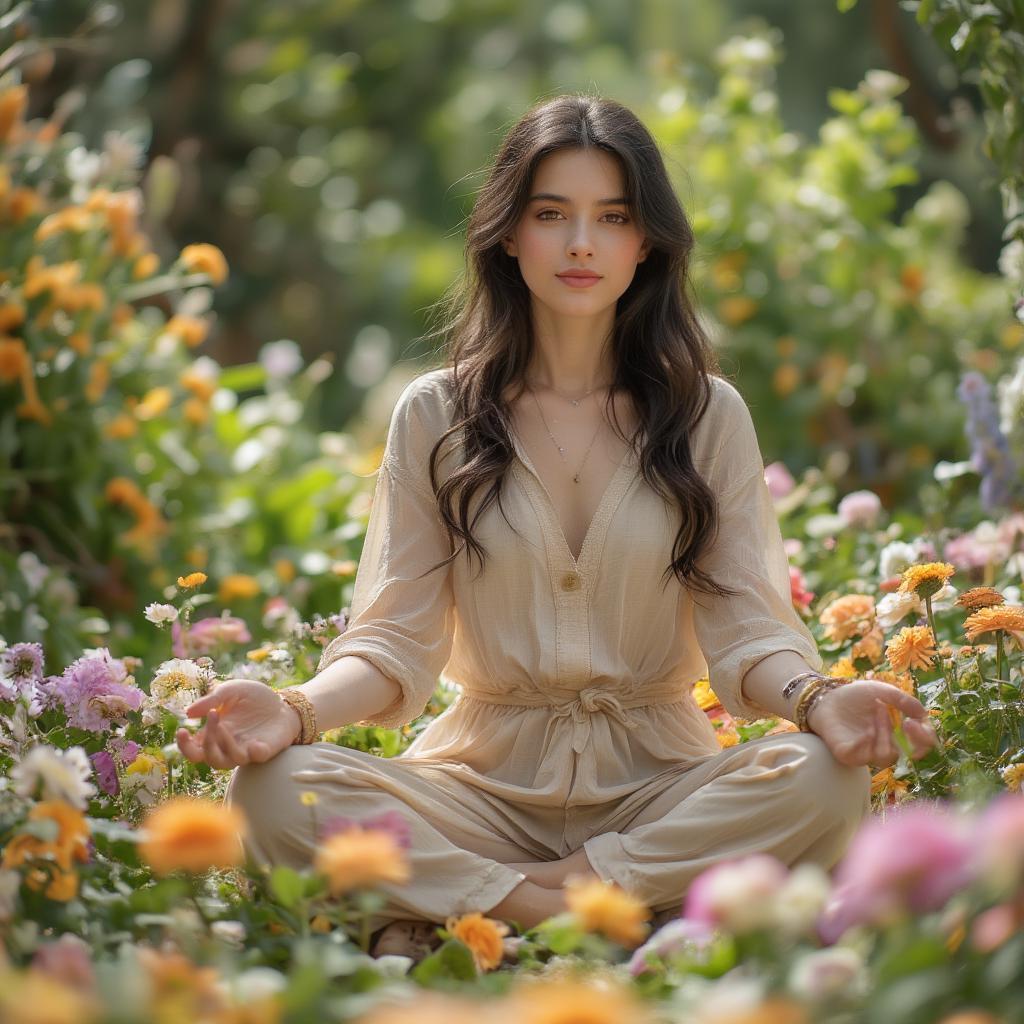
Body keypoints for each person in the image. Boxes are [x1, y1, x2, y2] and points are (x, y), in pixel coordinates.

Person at [176, 94, 938, 960]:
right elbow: (393, 642)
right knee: (273, 790)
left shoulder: (706, 416)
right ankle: (605, 912)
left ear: (645, 241)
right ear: (509, 234)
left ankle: (466, 915)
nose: (582, 244)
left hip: (661, 793)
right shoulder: (436, 415)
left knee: (823, 781)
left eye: (612, 217)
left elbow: (748, 628)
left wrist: (823, 701)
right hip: (478, 797)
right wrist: (292, 710)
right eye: (552, 215)